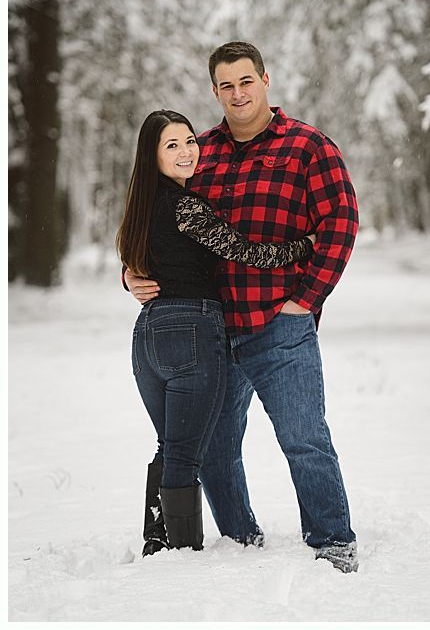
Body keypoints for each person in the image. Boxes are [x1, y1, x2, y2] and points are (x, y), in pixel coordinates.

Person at [124, 42, 361, 573]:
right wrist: (132, 273)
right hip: (210, 332)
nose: (237, 94)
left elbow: (340, 224)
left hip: (280, 325)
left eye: (246, 81)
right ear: (215, 91)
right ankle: (238, 537)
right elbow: (159, 222)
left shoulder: (308, 147)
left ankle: (332, 538)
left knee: (304, 438)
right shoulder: (199, 152)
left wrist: (306, 299)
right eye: (226, 86)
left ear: (265, 80)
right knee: (215, 448)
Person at [117, 109, 315, 554]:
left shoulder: (141, 207)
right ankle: (179, 551)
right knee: (187, 453)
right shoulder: (185, 205)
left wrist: (128, 279)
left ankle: (157, 539)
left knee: (171, 443)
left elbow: (141, 264)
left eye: (190, 140)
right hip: (190, 327)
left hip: (147, 334)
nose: (187, 151)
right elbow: (244, 252)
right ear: (152, 156)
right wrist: (306, 245)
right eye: (172, 145)